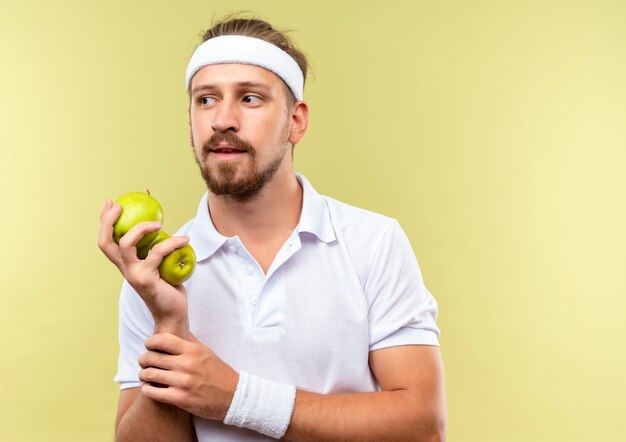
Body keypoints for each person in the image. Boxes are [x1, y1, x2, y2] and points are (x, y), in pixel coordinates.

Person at [98, 15, 447, 441]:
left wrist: (237, 398)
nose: (222, 120)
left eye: (249, 98)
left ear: (296, 121)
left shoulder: (373, 242)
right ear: (190, 126)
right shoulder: (152, 270)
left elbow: (422, 427)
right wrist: (168, 323)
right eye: (206, 100)